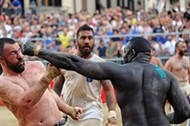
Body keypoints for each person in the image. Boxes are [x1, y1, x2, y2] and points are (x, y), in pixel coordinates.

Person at [23, 37, 190, 126]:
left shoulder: (121, 70)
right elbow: (184, 111)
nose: (123, 57)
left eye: (125, 53)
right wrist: (165, 119)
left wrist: (38, 51)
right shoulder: (166, 75)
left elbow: (74, 62)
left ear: (131, 53)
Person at [0, 38, 82, 126]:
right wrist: (48, 77)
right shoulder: (3, 82)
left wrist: (69, 110)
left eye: (19, 51)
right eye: (13, 53)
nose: (20, 56)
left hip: (60, 123)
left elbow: (49, 93)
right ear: (1, 59)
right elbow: (26, 102)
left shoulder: (36, 66)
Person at [53, 24, 117, 126]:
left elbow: (108, 89)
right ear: (76, 41)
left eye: (90, 38)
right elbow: (56, 88)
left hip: (92, 113)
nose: (87, 41)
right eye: (83, 38)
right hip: (70, 114)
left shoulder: (100, 64)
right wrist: (52, 108)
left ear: (94, 41)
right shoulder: (66, 63)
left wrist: (112, 113)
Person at [165, 40, 190, 126]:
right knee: (176, 110)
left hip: (187, 86)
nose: (185, 48)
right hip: (176, 87)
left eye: (185, 46)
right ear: (177, 48)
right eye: (183, 47)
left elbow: (189, 73)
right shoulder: (171, 61)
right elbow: (164, 75)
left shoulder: (187, 60)